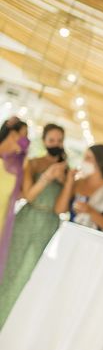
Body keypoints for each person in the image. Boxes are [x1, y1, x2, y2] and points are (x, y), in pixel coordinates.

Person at [0, 124, 67, 329]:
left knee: (30, 274)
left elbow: (61, 208)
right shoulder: (32, 163)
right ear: (44, 142)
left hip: (47, 224)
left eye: (59, 140)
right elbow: (28, 195)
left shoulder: (66, 170)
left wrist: (66, 178)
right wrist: (48, 176)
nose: (55, 144)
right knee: (10, 268)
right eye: (51, 140)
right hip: (26, 218)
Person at [55, 144, 103, 231]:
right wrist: (69, 182)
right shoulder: (77, 183)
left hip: (92, 240)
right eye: (84, 157)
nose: (84, 161)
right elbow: (59, 210)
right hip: (70, 233)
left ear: (101, 162)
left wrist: (90, 211)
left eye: (88, 158)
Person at [0, 117, 29, 273]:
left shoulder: (18, 167)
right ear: (12, 134)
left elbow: (23, 194)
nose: (26, 142)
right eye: (23, 136)